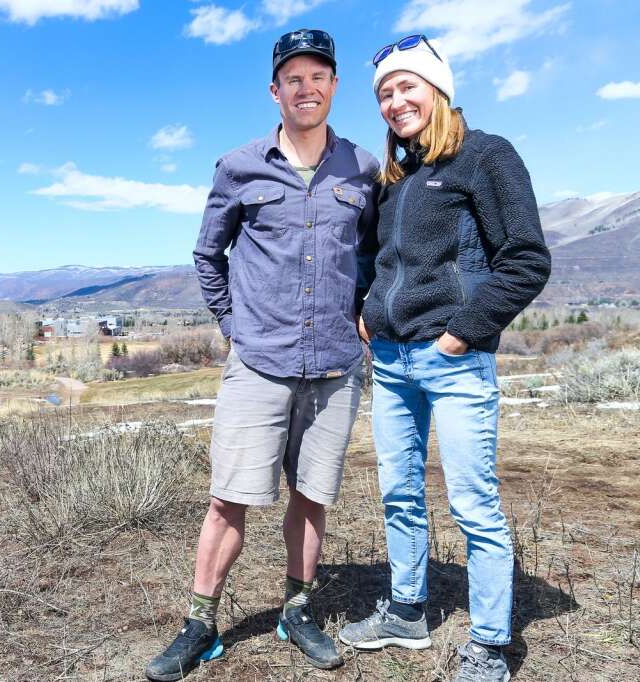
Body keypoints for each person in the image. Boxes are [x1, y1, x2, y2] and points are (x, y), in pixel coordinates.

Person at [145, 29, 379, 681]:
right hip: (257, 362)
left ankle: (296, 611)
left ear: (334, 87)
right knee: (228, 498)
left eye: (318, 77)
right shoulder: (237, 166)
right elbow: (206, 253)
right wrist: (230, 324)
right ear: (274, 91)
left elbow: (372, 255)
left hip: (334, 367)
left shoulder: (361, 170)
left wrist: (363, 312)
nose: (306, 89)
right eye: (293, 79)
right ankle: (198, 625)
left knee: (311, 497)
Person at [338, 35, 551, 682]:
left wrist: (462, 332)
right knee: (399, 495)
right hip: (393, 364)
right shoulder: (395, 179)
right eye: (383, 93)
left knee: (472, 504)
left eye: (406, 86)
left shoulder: (484, 156)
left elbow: (525, 259)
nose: (394, 101)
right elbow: (376, 259)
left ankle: (488, 644)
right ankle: (406, 611)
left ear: (437, 89)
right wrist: (362, 306)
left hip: (451, 361)